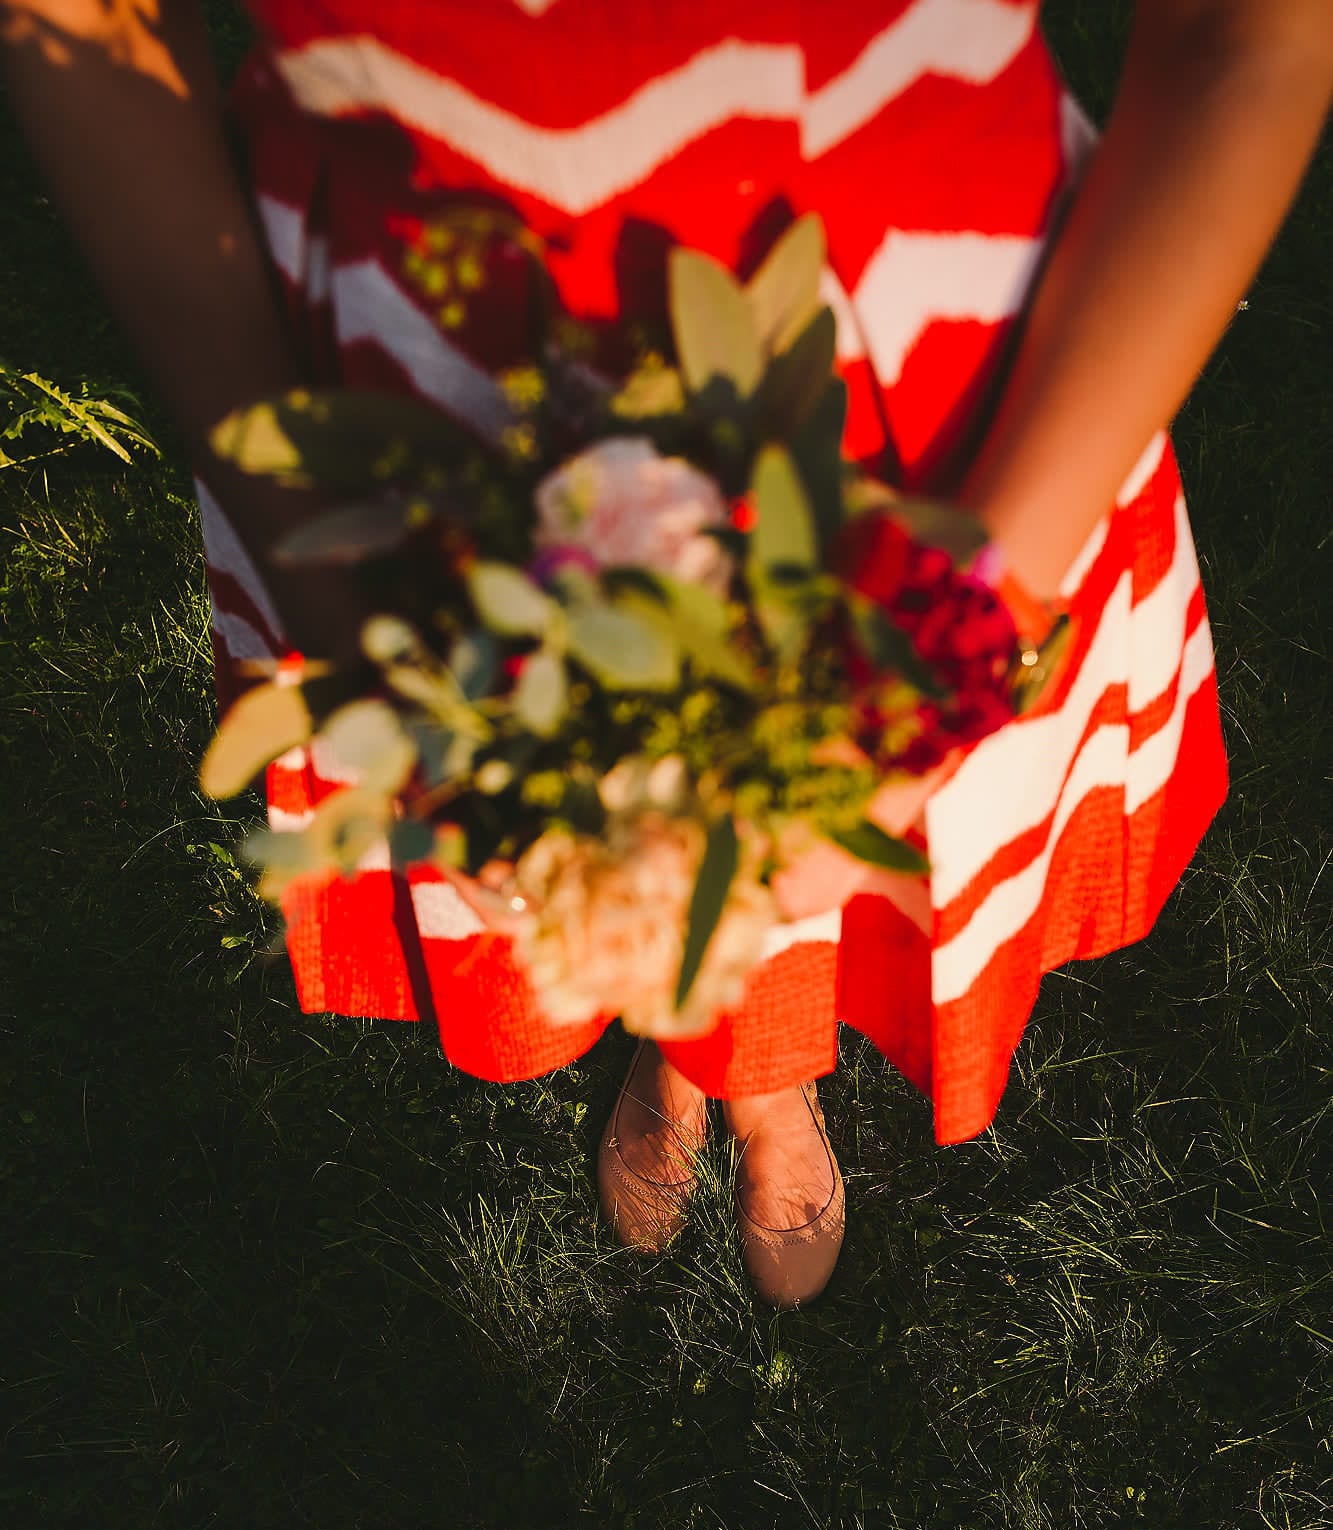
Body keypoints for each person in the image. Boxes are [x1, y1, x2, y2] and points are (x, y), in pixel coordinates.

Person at [5, 0, 1330, 1309]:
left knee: (813, 793)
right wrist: (315, 555)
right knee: (547, 812)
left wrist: (961, 617)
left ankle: (758, 1071)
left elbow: (1245, 25)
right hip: (422, 353)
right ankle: (681, 1030)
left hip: (906, 360)